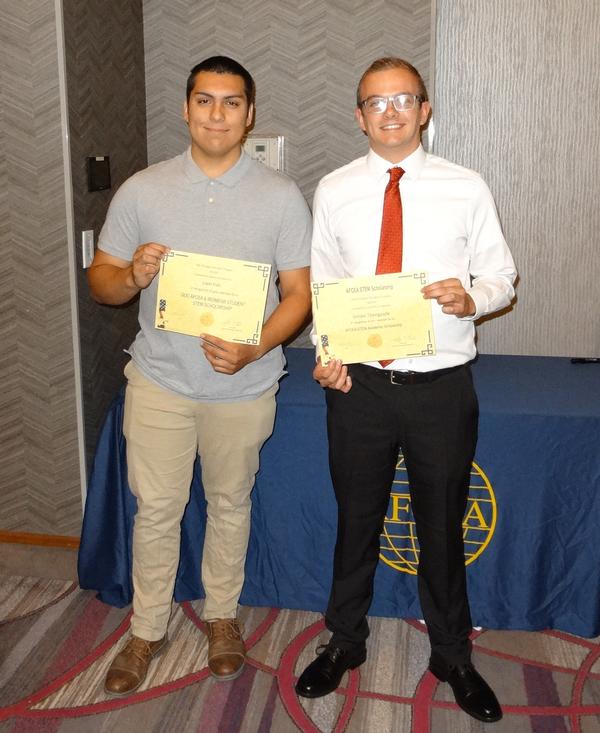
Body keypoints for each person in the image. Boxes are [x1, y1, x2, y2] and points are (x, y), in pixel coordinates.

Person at [295, 57, 516, 724]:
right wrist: (327, 356)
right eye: (374, 102)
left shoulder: (466, 186)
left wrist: (471, 296)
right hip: (358, 386)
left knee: (441, 524)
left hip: (440, 387)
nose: (389, 111)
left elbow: (502, 276)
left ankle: (451, 652)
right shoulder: (334, 189)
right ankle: (346, 639)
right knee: (356, 518)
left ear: (425, 109)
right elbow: (326, 288)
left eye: (403, 99)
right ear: (359, 116)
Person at [88, 56, 311, 695]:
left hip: (243, 385)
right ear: (186, 109)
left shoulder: (280, 196)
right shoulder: (142, 189)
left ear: (250, 114)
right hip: (160, 380)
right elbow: (101, 281)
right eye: (205, 101)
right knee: (156, 509)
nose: (218, 114)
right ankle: (146, 628)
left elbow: (299, 294)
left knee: (229, 503)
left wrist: (253, 347)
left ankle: (221, 618)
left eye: (232, 102)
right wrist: (130, 275)